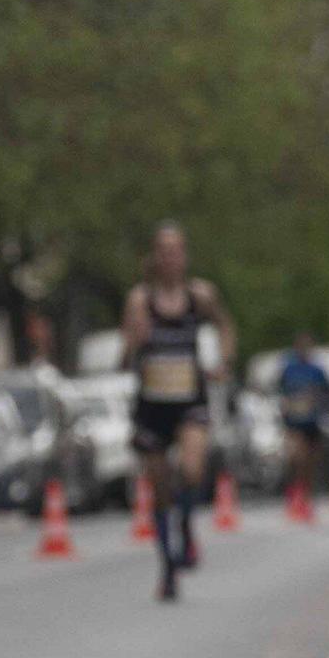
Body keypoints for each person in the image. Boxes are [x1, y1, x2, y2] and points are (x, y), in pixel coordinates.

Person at [121, 222, 236, 602]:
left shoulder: (200, 295)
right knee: (159, 491)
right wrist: (134, 343)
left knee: (191, 471)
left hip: (189, 399)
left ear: (185, 256)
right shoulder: (140, 300)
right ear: (154, 257)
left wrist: (223, 363)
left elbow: (225, 327)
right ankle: (167, 568)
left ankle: (185, 527)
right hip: (153, 404)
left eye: (177, 250)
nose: (170, 258)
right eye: (163, 250)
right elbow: (123, 360)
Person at [275, 333, 329, 517]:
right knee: (296, 458)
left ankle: (306, 497)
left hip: (312, 422)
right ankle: (293, 493)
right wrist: (285, 405)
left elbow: (328, 393)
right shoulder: (289, 369)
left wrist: (318, 403)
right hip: (294, 423)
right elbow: (279, 391)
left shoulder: (317, 371)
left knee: (310, 462)